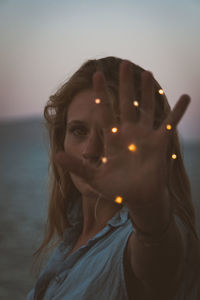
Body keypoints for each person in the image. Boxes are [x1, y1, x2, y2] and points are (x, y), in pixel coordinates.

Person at [27, 57, 200, 300]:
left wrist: (148, 209)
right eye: (78, 130)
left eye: (112, 132)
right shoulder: (74, 237)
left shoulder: (146, 235)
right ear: (61, 140)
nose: (90, 150)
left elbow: (159, 267)